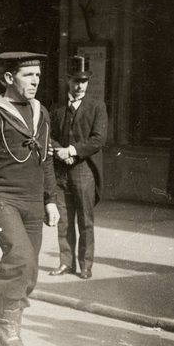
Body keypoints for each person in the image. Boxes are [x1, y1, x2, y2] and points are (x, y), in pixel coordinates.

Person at [0, 52, 59, 346]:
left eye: (37, 75)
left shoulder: (40, 112)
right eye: (27, 75)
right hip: (1, 197)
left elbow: (45, 158)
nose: (35, 81)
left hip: (33, 199)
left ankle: (8, 337)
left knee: (29, 268)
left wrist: (51, 199)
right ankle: (7, 329)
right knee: (19, 257)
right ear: (9, 78)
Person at [50, 55, 107, 280]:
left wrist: (71, 151)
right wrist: (58, 150)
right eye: (75, 80)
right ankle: (66, 263)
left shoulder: (96, 107)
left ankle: (85, 265)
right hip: (61, 172)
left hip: (83, 170)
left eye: (84, 81)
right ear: (68, 80)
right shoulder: (57, 108)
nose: (80, 85)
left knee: (85, 220)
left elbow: (98, 139)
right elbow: (49, 137)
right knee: (64, 220)